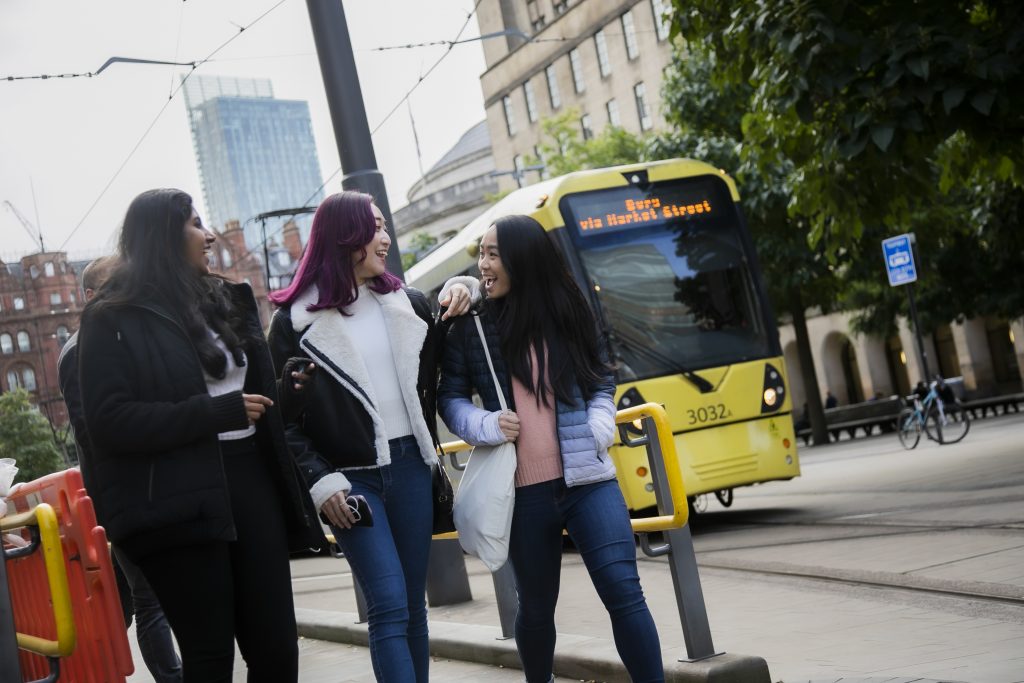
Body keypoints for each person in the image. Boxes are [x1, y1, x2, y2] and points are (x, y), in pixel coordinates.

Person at [77, 188, 326, 682]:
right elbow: (109, 421)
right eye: (195, 224)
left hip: (251, 482)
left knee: (277, 651)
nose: (209, 235)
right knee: (210, 657)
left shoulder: (224, 299)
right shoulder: (112, 317)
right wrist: (214, 413)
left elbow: (246, 399)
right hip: (175, 501)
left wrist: (286, 395)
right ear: (162, 236)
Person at [437, 215, 665, 683]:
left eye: (493, 253)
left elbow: (600, 375)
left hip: (588, 481)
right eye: (480, 254)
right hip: (523, 493)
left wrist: (602, 418)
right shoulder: (473, 327)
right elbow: (450, 397)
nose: (484, 263)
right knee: (537, 610)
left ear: (524, 258)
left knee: (625, 591)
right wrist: (483, 423)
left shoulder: (569, 310)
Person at [266, 190, 471, 683]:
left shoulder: (409, 306)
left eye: (384, 225)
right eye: (374, 227)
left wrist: (467, 286)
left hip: (409, 467)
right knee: (389, 602)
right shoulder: (293, 323)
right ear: (345, 237)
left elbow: (458, 333)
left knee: (414, 611)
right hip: (350, 482)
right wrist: (322, 483)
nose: (385, 237)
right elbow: (283, 422)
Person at [58, 255, 182, 683]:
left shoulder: (122, 338)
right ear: (89, 297)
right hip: (120, 495)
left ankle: (94, 661)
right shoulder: (78, 350)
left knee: (132, 596)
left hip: (148, 487)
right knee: (150, 595)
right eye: (114, 287)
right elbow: (94, 432)